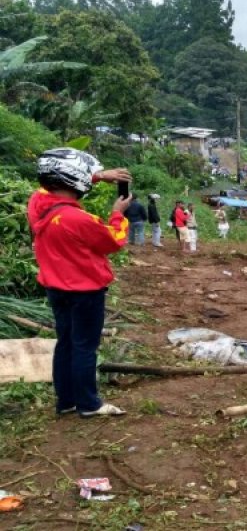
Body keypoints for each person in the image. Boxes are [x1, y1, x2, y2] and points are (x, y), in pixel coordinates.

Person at [27, 147, 131, 417]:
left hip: (55, 288)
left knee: (66, 343)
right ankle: (89, 404)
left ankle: (67, 401)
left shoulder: (37, 205)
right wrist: (118, 212)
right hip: (85, 291)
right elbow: (113, 240)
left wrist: (98, 176)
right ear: (75, 178)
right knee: (85, 347)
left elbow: (55, 184)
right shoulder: (80, 219)